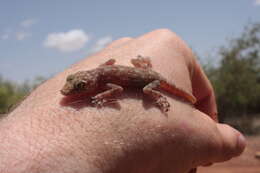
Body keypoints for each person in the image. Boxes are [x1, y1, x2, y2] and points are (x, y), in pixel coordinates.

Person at [0, 29, 246, 173]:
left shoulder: (106, 81)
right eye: (76, 84)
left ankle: (158, 97)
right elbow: (107, 66)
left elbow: (117, 90)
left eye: (79, 87)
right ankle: (145, 68)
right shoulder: (100, 73)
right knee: (144, 74)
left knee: (149, 94)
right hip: (146, 70)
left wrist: (103, 97)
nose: (70, 92)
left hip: (151, 81)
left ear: (92, 81)